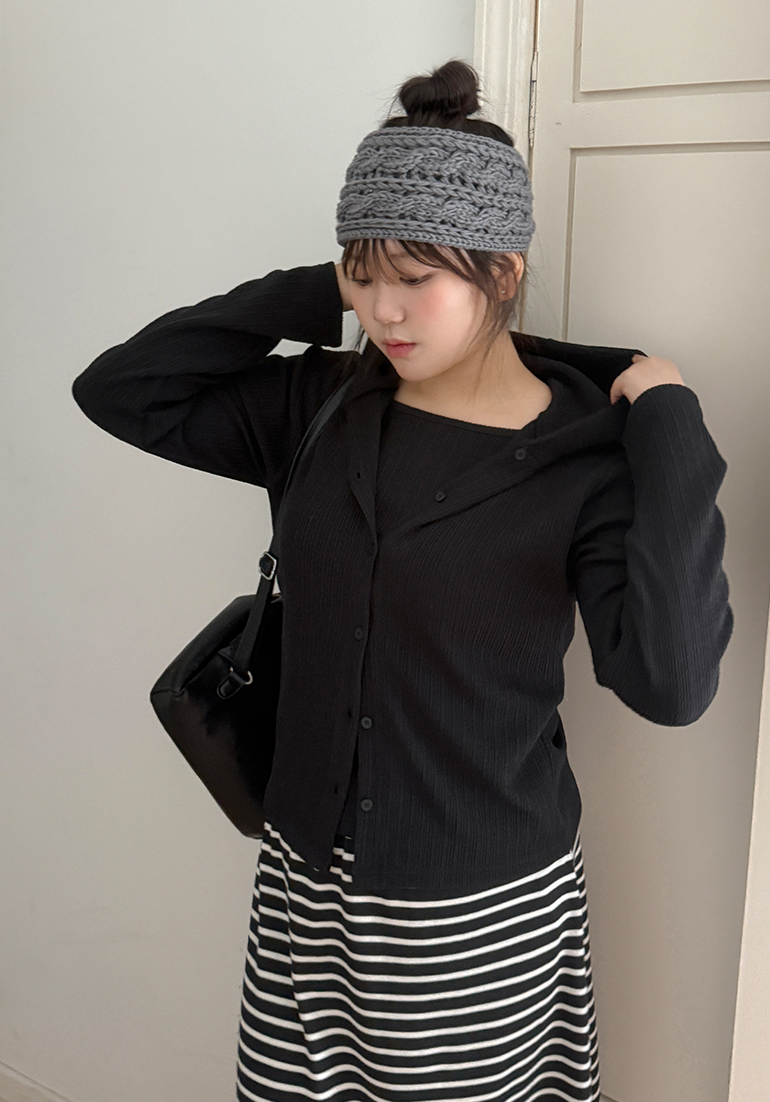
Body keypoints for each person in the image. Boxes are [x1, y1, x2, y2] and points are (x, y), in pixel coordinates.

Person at [71, 59, 733, 1102]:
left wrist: (671, 428)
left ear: (503, 271)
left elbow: (672, 682)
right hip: (303, 885)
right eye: (363, 272)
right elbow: (120, 391)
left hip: (475, 916)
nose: (385, 309)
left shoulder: (584, 457)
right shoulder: (322, 404)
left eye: (416, 277)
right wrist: (316, 291)